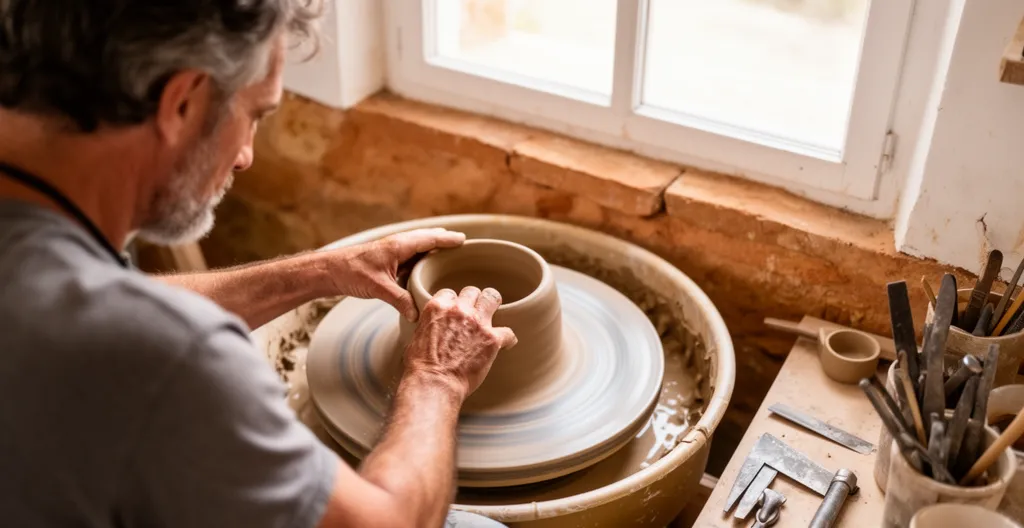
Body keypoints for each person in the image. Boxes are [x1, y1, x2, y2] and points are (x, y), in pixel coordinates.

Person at [0, 1, 517, 527]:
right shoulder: (168, 356)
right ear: (182, 101)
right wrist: (438, 375)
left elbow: (99, 309)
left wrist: (322, 270)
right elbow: (388, 524)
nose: (245, 155)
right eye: (253, 115)